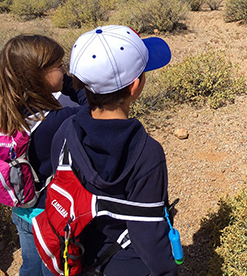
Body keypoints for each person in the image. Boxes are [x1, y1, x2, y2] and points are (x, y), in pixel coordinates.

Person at [50, 25, 177, 276]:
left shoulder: (66, 131)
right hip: (128, 262)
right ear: (135, 87)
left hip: (77, 253)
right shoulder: (147, 153)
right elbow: (148, 235)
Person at [0, 35, 87, 276]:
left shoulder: (3, 114)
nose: (64, 70)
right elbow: (92, 110)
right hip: (50, 214)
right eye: (59, 66)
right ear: (38, 76)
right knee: (54, 267)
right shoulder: (55, 121)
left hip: (21, 209)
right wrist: (70, 84)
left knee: (30, 263)